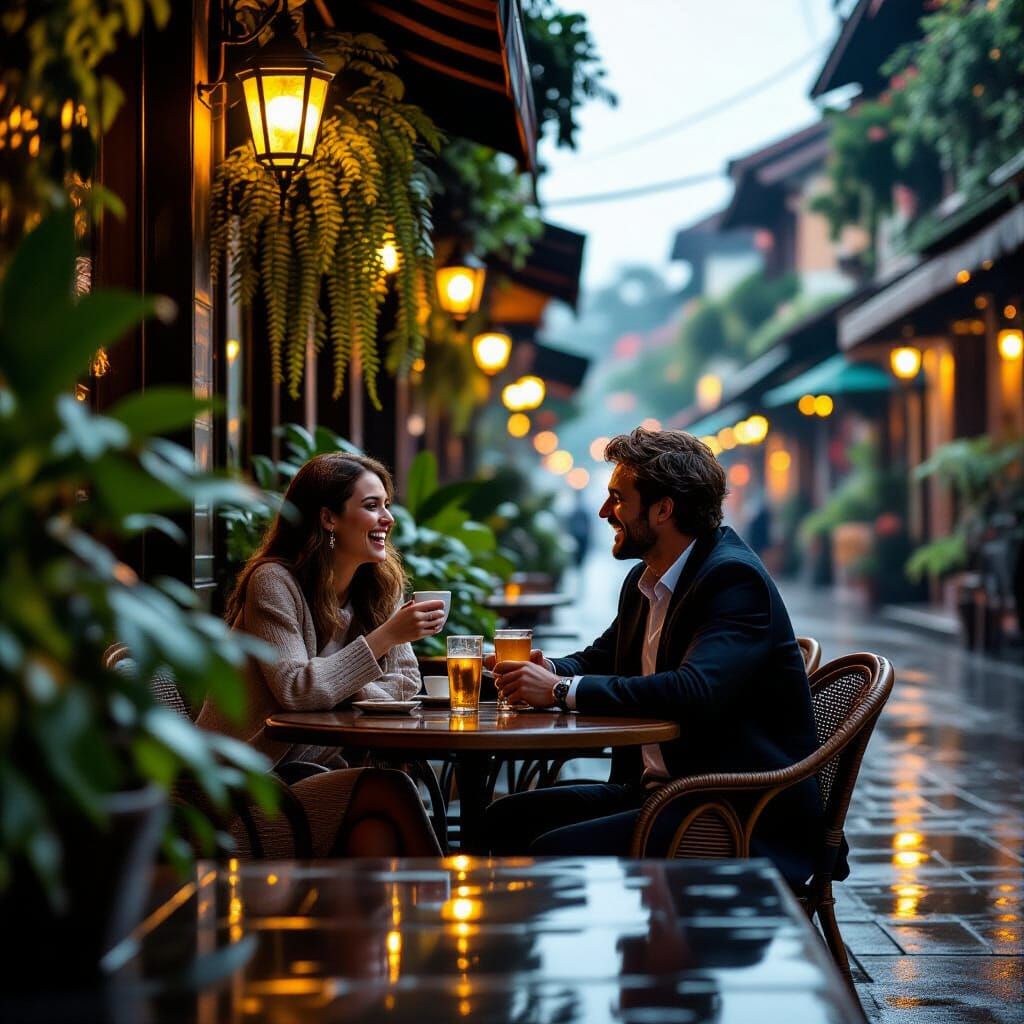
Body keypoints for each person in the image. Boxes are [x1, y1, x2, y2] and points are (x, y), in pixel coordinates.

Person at [485, 428, 829, 886]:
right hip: (661, 793)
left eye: (617, 499)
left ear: (663, 509)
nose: (606, 512)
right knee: (503, 818)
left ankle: (569, 953)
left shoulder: (732, 580)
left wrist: (561, 691)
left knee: (553, 851)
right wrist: (545, 670)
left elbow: (695, 690)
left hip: (731, 810)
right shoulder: (648, 579)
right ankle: (495, 951)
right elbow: (600, 658)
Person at [196, 451, 446, 856]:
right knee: (390, 789)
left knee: (373, 830)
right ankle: (445, 904)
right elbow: (296, 688)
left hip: (311, 774)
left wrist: (340, 687)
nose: (388, 518)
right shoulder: (274, 582)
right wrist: (384, 639)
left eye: (386, 505)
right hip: (241, 790)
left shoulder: (379, 588)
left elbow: (403, 684)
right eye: (371, 506)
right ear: (328, 518)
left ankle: (372, 918)